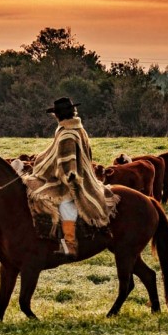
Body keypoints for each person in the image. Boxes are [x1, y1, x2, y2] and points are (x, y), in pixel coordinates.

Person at [26, 97, 113, 258]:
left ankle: (70, 244)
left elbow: (68, 162)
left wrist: (68, 176)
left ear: (57, 115)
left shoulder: (68, 133)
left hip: (75, 179)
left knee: (66, 204)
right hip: (74, 174)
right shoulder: (75, 128)